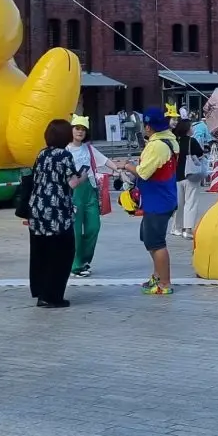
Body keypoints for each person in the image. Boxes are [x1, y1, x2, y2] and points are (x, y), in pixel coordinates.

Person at [115, 107, 179, 295]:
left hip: (158, 200)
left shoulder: (157, 145)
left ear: (149, 127)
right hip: (161, 197)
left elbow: (143, 172)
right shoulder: (168, 140)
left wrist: (126, 165)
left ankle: (164, 284)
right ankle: (157, 276)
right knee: (149, 238)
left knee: (156, 242)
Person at [22, 119, 80, 308]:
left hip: (37, 209)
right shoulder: (65, 155)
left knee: (41, 252)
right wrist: (83, 177)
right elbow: (71, 183)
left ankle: (41, 293)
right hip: (57, 211)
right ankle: (53, 296)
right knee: (62, 253)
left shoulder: (42, 154)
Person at [67, 117, 111, 277]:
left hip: (90, 191)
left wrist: (121, 170)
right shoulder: (65, 150)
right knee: (76, 231)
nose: (80, 131)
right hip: (74, 194)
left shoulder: (89, 149)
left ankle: (85, 260)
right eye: (77, 128)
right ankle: (76, 265)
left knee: (94, 227)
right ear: (71, 130)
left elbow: (106, 161)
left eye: (83, 129)